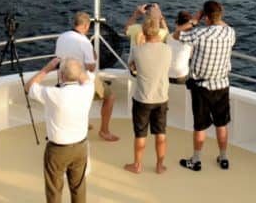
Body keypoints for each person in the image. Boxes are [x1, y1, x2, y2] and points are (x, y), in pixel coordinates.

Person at [177, 0, 236, 172]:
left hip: (201, 87)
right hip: (222, 85)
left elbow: (177, 34)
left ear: (206, 18)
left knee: (200, 125)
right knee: (221, 124)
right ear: (220, 15)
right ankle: (223, 158)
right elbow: (222, 25)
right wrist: (213, 17)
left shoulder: (200, 34)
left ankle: (196, 160)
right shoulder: (230, 33)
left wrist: (195, 19)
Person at [26, 56, 95, 203]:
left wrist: (48, 67)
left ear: (61, 75)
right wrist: (74, 66)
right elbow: (84, 76)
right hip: (80, 147)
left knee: (54, 191)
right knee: (78, 187)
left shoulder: (53, 93)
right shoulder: (88, 89)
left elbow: (29, 86)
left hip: (57, 150)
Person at [54, 10, 119, 141]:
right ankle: (104, 131)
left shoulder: (62, 36)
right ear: (85, 26)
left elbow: (57, 58)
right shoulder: (84, 42)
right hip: (81, 80)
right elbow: (91, 67)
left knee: (80, 101)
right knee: (110, 97)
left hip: (64, 78)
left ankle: (83, 123)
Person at [125, 17, 173, 174]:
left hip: (142, 98)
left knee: (140, 134)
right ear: (158, 31)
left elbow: (131, 66)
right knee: (161, 133)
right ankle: (160, 165)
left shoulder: (137, 50)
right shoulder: (167, 49)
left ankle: (137, 165)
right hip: (161, 98)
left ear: (144, 32)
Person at [167, 10, 195, 84]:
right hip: (181, 74)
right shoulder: (191, 41)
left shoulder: (168, 37)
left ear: (176, 23)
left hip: (167, 73)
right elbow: (190, 56)